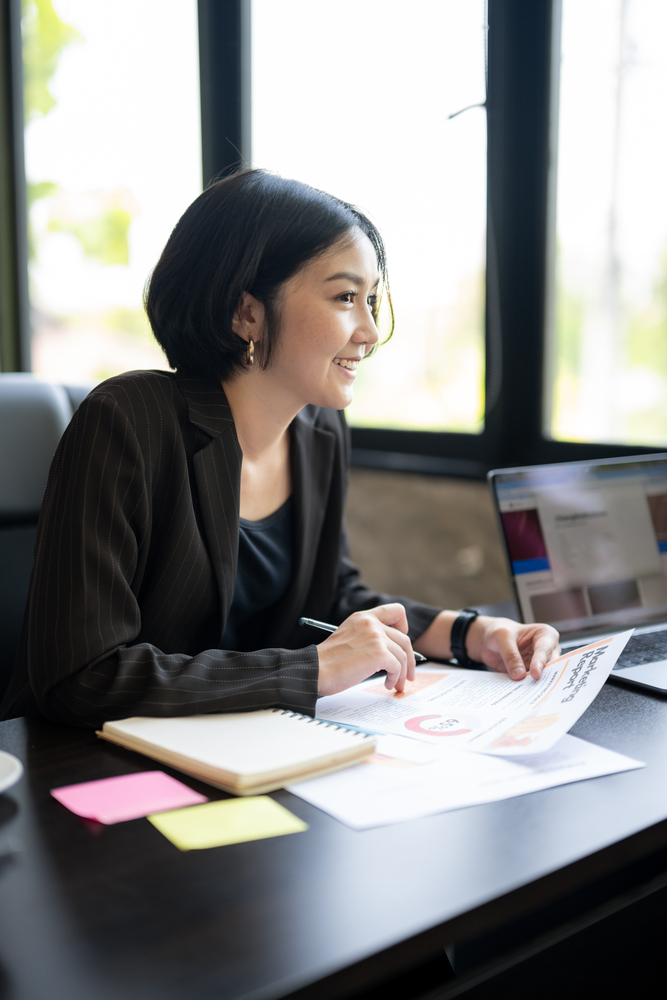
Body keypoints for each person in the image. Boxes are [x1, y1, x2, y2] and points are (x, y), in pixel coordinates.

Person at [0, 170, 559, 728]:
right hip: (86, 765)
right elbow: (83, 675)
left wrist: (472, 633)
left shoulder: (318, 431)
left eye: (371, 300)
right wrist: (312, 670)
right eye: (345, 297)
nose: (369, 331)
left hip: (241, 743)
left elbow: (331, 597)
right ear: (248, 311)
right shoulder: (128, 420)